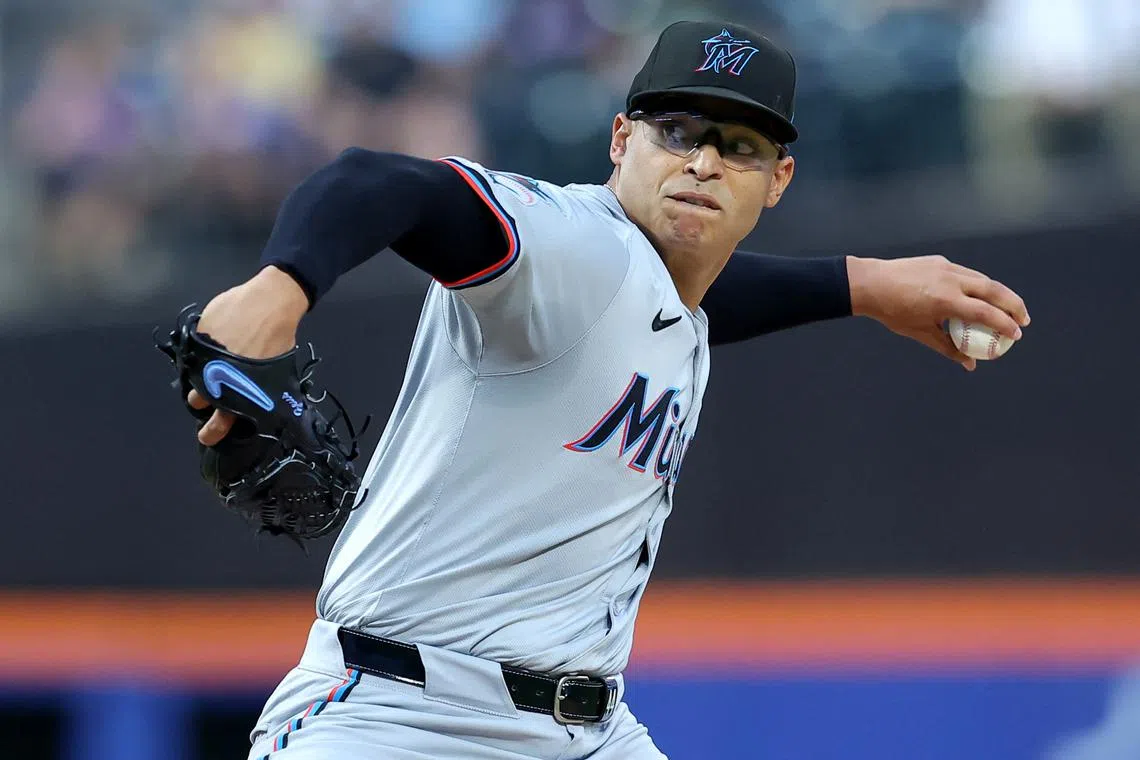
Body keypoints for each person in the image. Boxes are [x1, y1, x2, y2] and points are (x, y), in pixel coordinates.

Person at [186, 20, 1029, 760]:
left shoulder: (673, 295)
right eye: (677, 130)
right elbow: (380, 182)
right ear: (622, 140)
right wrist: (281, 285)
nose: (703, 161)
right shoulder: (566, 244)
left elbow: (696, 301)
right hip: (400, 717)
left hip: (585, 730)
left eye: (740, 146)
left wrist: (867, 286)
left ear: (778, 181)